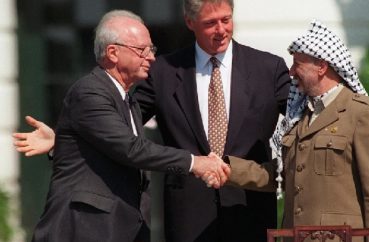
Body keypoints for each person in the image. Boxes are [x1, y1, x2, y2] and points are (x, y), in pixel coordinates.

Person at [13, 1, 369, 241]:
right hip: (188, 215)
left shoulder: (268, 66)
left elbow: (306, 116)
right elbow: (123, 126)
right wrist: (66, 137)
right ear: (191, 23)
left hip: (250, 211)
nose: (221, 29)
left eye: (226, 18)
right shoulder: (165, 69)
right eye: (210, 22)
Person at [25, 9, 229, 242]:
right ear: (113, 52)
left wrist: (58, 142)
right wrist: (195, 162)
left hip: (122, 227)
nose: (151, 57)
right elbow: (131, 149)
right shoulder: (90, 92)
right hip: (84, 228)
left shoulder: (128, 99)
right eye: (142, 50)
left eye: (151, 49)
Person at [214, 21, 369, 242]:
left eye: (297, 65)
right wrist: (226, 169)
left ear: (321, 67)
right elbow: (281, 175)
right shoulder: (301, 116)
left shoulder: (362, 113)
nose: (291, 72)